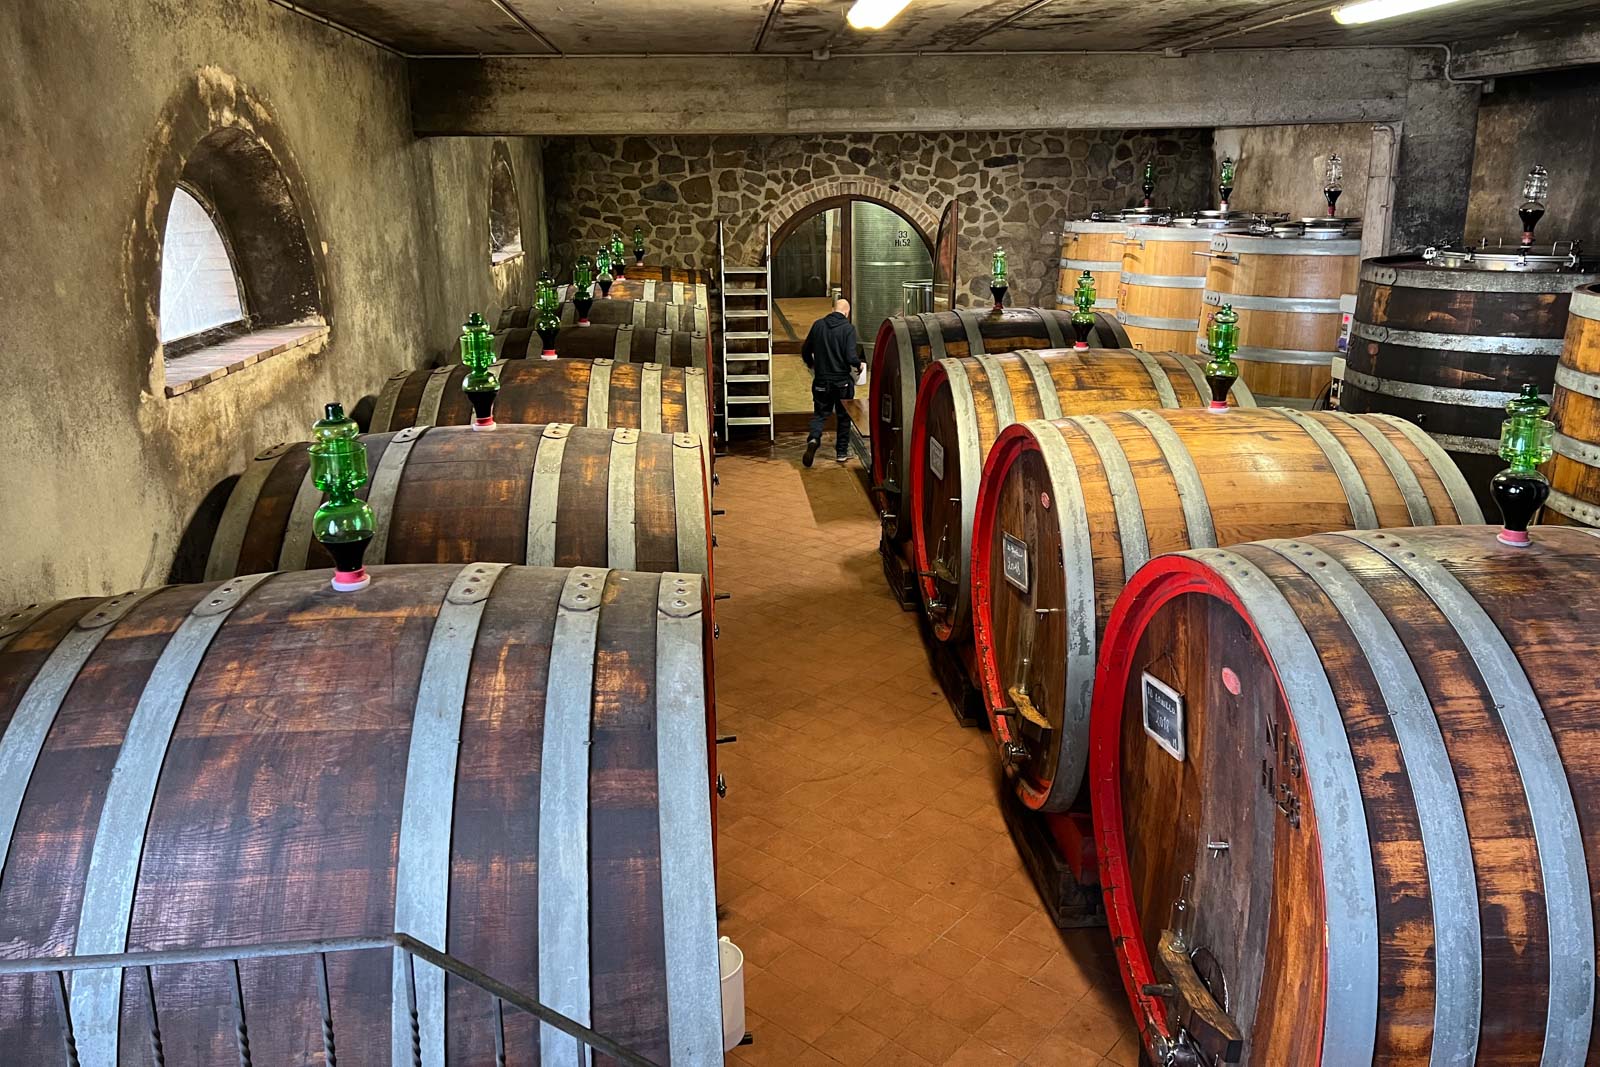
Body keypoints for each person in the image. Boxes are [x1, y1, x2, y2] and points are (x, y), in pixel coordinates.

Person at [800, 297, 862, 467]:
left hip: (821, 381)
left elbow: (805, 349)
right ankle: (841, 452)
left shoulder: (818, 325)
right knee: (843, 417)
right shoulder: (848, 329)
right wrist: (859, 365)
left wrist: (812, 364)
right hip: (842, 382)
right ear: (847, 313)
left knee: (820, 414)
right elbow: (850, 356)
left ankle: (813, 439)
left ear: (834, 309)